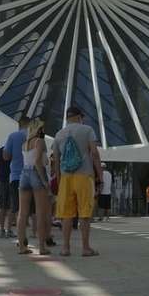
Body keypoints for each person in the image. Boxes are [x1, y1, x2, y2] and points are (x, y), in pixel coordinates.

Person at [52, 106, 102, 257]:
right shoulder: (87, 130)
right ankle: (85, 248)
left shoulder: (59, 134)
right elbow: (94, 153)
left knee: (66, 215)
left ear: (67, 118)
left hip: (66, 178)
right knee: (85, 214)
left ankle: (65, 248)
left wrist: (59, 180)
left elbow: (56, 160)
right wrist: (99, 174)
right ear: (81, 116)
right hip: (84, 176)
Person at [17, 118, 52, 255]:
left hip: (24, 174)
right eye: (42, 128)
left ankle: (22, 247)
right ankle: (42, 247)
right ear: (39, 129)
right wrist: (44, 181)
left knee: (22, 213)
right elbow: (38, 161)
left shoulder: (25, 144)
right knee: (40, 212)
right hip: (36, 174)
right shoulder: (40, 141)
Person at [3, 116, 29, 240]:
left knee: (15, 206)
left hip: (16, 175)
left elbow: (6, 156)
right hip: (32, 174)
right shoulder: (35, 136)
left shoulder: (13, 136)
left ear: (19, 125)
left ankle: (10, 230)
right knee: (35, 208)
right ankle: (37, 232)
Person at [0, 147, 13, 238]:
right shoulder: (14, 150)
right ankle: (9, 230)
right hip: (11, 179)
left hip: (1, 179)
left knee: (2, 206)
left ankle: (2, 230)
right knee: (10, 207)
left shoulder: (0, 151)